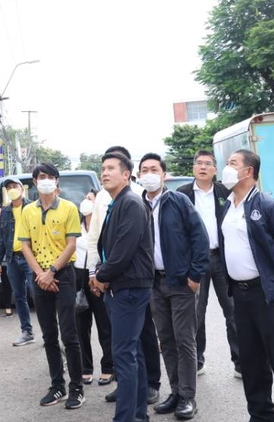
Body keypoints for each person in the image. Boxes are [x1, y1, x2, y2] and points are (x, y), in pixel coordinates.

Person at [220, 149, 274, 422]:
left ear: (248, 171)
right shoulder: (229, 204)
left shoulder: (268, 206)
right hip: (241, 294)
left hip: (267, 295)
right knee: (251, 360)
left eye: (232, 163)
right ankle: (260, 415)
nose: (226, 168)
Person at [140, 153, 208, 420]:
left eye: (154, 169)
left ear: (164, 174)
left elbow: (199, 238)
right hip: (154, 284)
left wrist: (194, 275)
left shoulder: (178, 201)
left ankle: (188, 397)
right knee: (166, 340)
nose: (149, 173)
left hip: (180, 282)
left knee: (184, 340)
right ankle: (176, 391)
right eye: (144, 169)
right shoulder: (139, 205)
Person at [90, 147, 154, 422]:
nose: (105, 173)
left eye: (111, 169)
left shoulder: (130, 202)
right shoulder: (117, 202)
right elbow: (109, 246)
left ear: (126, 175)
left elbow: (122, 252)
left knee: (123, 355)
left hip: (128, 287)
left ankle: (126, 417)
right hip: (122, 286)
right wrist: (101, 275)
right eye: (103, 169)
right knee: (133, 353)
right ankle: (138, 415)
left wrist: (101, 277)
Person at [18, 163, 85, 410]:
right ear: (35, 182)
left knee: (69, 334)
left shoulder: (69, 208)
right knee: (48, 336)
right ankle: (57, 384)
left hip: (64, 274)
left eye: (50, 177)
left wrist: (52, 272)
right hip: (39, 278)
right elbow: (25, 245)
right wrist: (40, 274)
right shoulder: (27, 211)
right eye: (41, 177)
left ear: (57, 182)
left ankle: (76, 388)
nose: (45, 181)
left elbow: (71, 245)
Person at [176, 150, 239, 377]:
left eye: (208, 164)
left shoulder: (226, 192)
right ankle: (197, 360)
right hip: (196, 261)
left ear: (215, 169)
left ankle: (240, 361)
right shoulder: (181, 195)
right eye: (199, 163)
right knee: (196, 312)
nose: (203, 167)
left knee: (232, 310)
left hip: (222, 258)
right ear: (193, 168)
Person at [76, 190, 113, 386]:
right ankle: (86, 368)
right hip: (78, 276)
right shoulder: (76, 226)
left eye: (91, 198)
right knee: (81, 325)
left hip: (99, 274)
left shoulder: (104, 225)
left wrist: (99, 275)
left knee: (104, 324)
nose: (86, 202)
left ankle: (108, 367)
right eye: (85, 198)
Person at [0, 177, 35, 345]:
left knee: (39, 295)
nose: (12, 189)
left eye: (14, 186)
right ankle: (27, 331)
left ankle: (51, 332)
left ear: (22, 188)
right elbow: (1, 238)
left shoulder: (33, 207)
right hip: (12, 258)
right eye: (9, 187)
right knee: (19, 296)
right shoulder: (5, 211)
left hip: (32, 259)